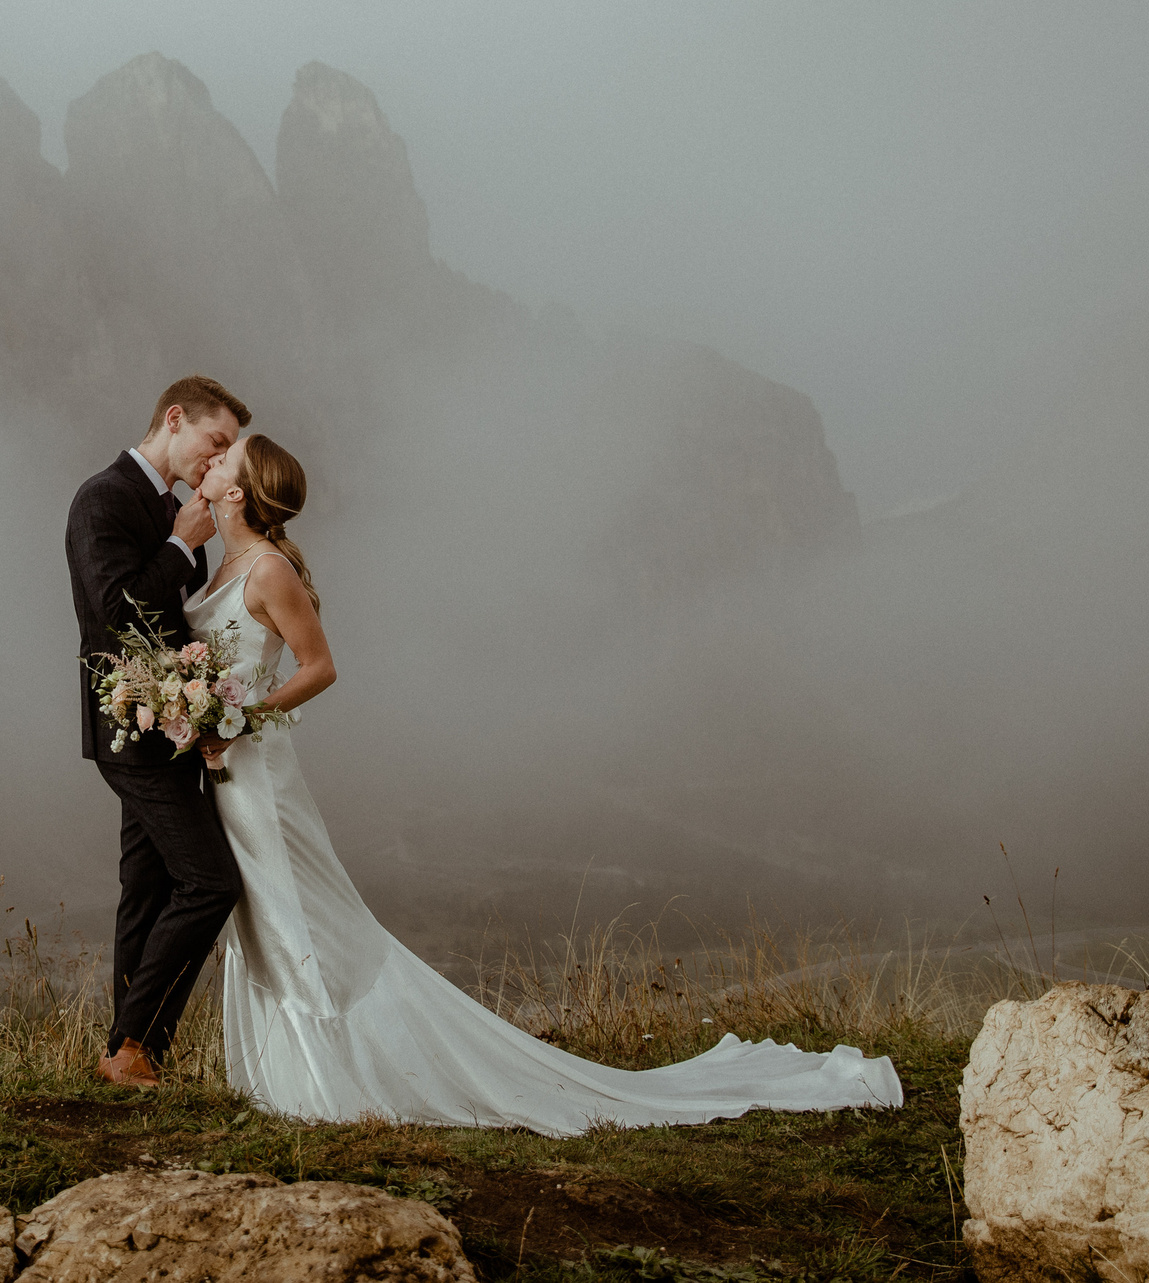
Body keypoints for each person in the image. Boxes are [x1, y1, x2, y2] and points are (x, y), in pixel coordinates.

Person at [183, 433, 905, 1131]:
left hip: (258, 775)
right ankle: (282, 1071)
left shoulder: (269, 570)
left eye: (226, 460)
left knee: (296, 913)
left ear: (239, 493)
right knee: (261, 914)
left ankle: (332, 1075)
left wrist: (238, 719)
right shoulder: (218, 561)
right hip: (224, 767)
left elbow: (319, 667)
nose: (212, 462)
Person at [63, 374, 252, 1089]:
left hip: (169, 729)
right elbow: (112, 614)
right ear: (175, 418)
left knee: (145, 887)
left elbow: (174, 626)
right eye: (216, 440)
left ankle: (132, 1051)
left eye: (228, 448)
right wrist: (179, 544)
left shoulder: (173, 509)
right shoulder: (102, 497)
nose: (219, 458)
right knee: (210, 881)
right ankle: (136, 1039)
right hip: (125, 728)